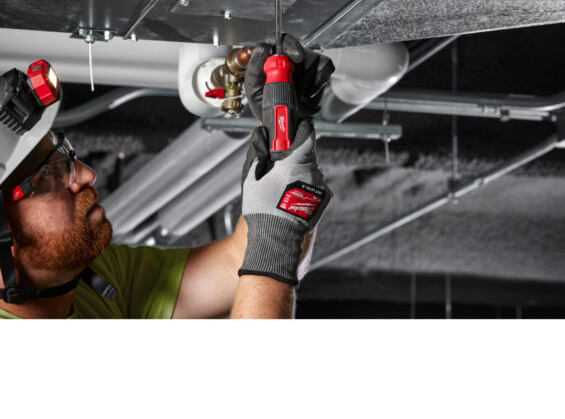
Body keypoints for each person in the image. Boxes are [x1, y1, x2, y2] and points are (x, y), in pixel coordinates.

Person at [0, 35, 334, 319]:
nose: (87, 174)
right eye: (50, 174)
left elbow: (239, 262)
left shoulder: (93, 276)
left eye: (67, 155)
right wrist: (275, 237)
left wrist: (285, 138)